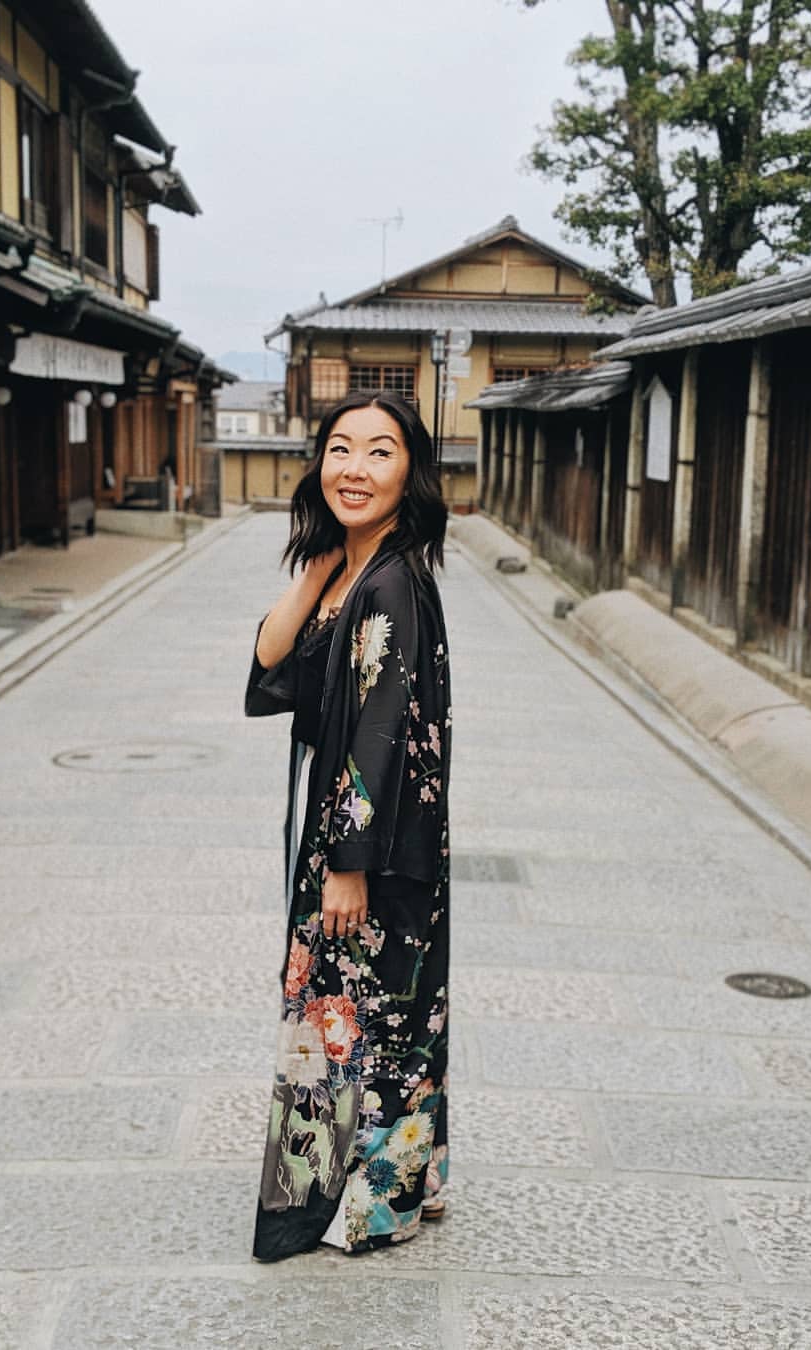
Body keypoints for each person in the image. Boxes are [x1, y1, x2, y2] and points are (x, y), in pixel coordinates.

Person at [246, 390, 452, 1262]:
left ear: (410, 472)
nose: (354, 469)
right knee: (386, 1014)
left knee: (367, 1016)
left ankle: (367, 1203)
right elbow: (269, 662)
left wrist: (347, 863)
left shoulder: (396, 581)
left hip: (371, 845)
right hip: (353, 835)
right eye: (340, 449)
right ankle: (416, 1178)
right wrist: (319, 561)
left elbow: (382, 728)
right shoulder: (353, 567)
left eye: (379, 451)